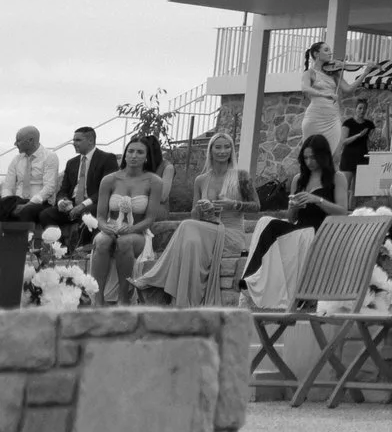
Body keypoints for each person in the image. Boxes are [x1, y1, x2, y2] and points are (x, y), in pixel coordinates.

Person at [133, 129, 252, 306]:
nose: (222, 151)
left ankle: (153, 281)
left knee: (187, 226)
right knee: (190, 243)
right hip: (208, 229)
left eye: (227, 147)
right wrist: (202, 207)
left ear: (232, 150)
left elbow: (257, 206)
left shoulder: (241, 176)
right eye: (218, 147)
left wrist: (233, 205)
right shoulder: (201, 179)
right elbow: (194, 215)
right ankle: (184, 303)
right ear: (210, 150)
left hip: (231, 233)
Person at [243, 136, 346, 282]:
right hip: (300, 229)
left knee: (272, 226)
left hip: (322, 231)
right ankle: (251, 277)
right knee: (265, 221)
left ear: (323, 156)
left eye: (313, 158)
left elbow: (343, 211)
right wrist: (293, 206)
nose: (309, 162)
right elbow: (292, 219)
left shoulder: (337, 177)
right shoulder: (299, 179)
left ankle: (252, 277)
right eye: (305, 158)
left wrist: (318, 200)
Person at [85, 143, 169, 305]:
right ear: (125, 154)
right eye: (130, 151)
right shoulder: (109, 180)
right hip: (110, 228)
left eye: (139, 152)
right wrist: (104, 226)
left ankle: (123, 298)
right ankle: (98, 298)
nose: (134, 155)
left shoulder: (154, 181)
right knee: (102, 241)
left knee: (124, 241)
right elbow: (100, 216)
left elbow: (150, 219)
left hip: (139, 232)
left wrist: (131, 228)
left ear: (146, 157)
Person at [300, 42, 368, 207]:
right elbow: (305, 89)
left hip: (332, 118)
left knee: (334, 156)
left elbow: (349, 89)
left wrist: (366, 71)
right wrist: (323, 93)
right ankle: (307, 193)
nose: (330, 53)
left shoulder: (334, 74)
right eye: (326, 50)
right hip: (315, 117)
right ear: (316, 54)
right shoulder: (310, 73)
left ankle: (331, 196)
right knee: (311, 156)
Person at [2, 127, 62, 224]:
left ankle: (24, 238)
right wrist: (7, 201)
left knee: (27, 210)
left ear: (31, 140)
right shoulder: (16, 159)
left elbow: (49, 187)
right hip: (17, 200)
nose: (15, 144)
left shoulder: (50, 157)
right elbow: (7, 186)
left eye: (18, 141)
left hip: (40, 202)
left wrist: (29, 203)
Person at [338, 100, 376, 187]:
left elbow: (373, 140)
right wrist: (359, 135)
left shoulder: (369, 124)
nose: (362, 111)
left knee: (358, 190)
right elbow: (343, 141)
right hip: (349, 158)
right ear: (355, 109)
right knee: (345, 187)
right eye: (360, 108)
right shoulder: (348, 123)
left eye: (364, 108)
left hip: (363, 157)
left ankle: (353, 201)